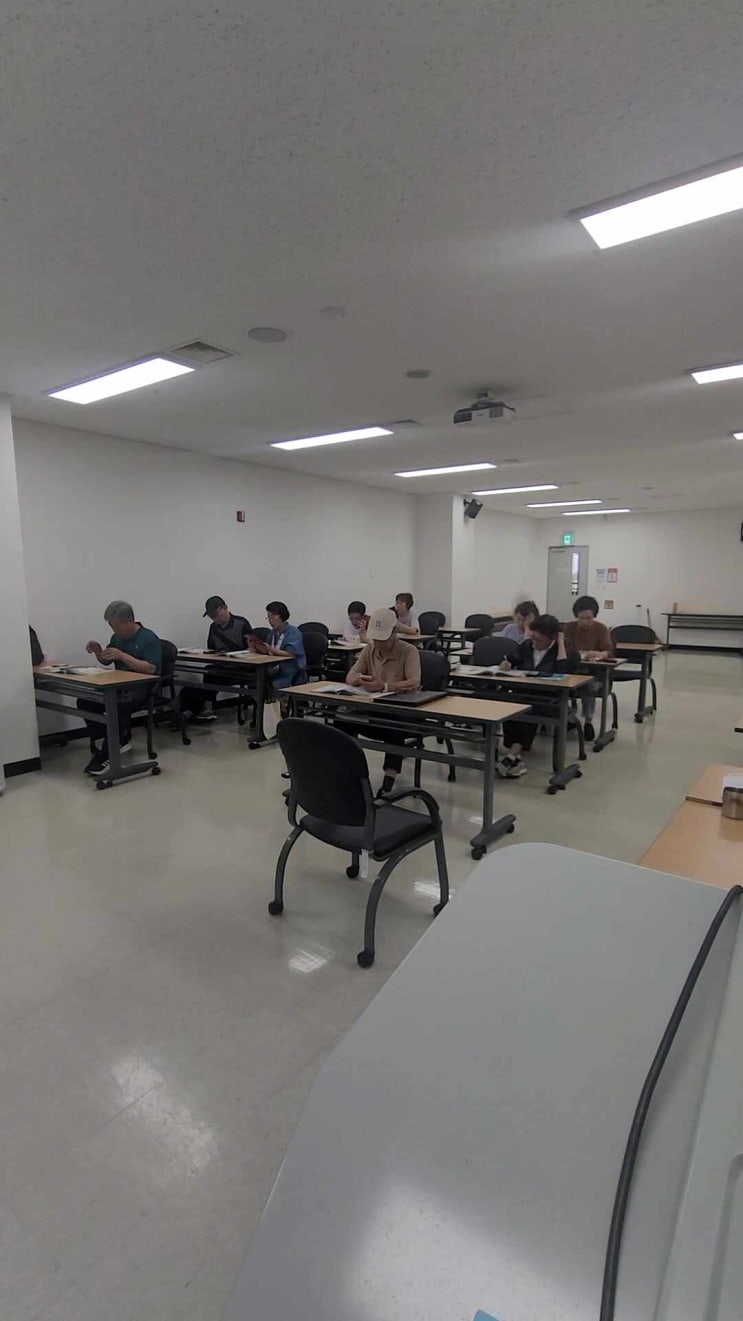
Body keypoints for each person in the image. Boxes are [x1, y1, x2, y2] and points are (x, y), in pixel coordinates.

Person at [78, 600, 161, 777]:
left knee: (117, 706)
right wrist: (98, 651)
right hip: (118, 685)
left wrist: (123, 656)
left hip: (141, 687)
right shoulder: (116, 638)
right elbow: (107, 659)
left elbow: (151, 668)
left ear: (129, 620)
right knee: (85, 701)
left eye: (116, 626)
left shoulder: (149, 638)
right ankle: (115, 737)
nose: (114, 631)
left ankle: (110, 750)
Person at [346, 606, 421, 794]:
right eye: (376, 639)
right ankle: (348, 770)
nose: (379, 643)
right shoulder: (370, 649)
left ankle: (389, 779)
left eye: (383, 639)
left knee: (395, 725)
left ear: (394, 632)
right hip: (374, 706)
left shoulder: (409, 651)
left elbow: (414, 681)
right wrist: (356, 680)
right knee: (342, 720)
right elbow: (351, 675)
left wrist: (385, 687)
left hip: (401, 709)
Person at [496, 613, 580, 778]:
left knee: (529, 709)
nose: (534, 643)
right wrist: (506, 664)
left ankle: (512, 756)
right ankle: (515, 757)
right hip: (525, 693)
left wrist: (560, 642)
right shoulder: (527, 646)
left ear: (552, 638)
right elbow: (511, 660)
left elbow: (563, 673)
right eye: (533, 638)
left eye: (539, 640)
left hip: (550, 700)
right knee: (509, 705)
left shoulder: (563, 651)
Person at [179, 596, 253, 722]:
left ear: (225, 608)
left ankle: (205, 706)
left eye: (216, 615)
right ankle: (207, 707)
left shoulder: (241, 623)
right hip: (223, 665)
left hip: (241, 666)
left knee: (215, 674)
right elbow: (211, 649)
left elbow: (251, 648)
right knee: (209, 671)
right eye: (212, 617)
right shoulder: (214, 627)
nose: (215, 619)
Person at [563, 595, 614, 742]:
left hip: (595, 674)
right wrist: (584, 654)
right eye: (581, 618)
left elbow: (609, 651)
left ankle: (588, 721)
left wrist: (601, 654)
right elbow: (565, 649)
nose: (585, 622)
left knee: (589, 686)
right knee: (561, 686)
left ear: (594, 616)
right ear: (576, 616)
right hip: (573, 671)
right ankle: (568, 717)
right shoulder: (569, 628)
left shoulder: (601, 628)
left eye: (588, 618)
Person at [265, 602, 307, 690]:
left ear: (279, 616)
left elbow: (291, 654)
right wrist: (256, 647)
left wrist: (272, 650)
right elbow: (268, 649)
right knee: (258, 682)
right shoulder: (273, 632)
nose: (269, 621)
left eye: (271, 617)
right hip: (274, 669)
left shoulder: (293, 632)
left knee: (270, 685)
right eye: (268, 618)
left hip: (290, 671)